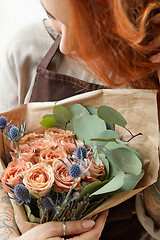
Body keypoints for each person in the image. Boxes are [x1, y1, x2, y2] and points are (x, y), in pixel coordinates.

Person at [0, 0, 160, 239]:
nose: (66, 46)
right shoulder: (26, 49)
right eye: (53, 16)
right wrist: (11, 234)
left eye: (89, 30)